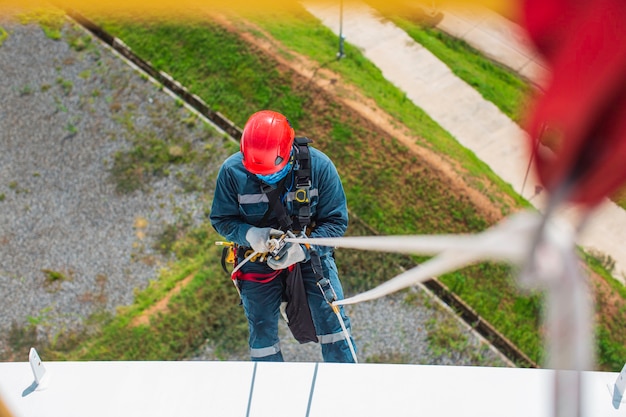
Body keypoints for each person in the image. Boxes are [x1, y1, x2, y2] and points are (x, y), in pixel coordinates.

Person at [210, 109, 356, 363]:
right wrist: (251, 235)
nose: (265, 176)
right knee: (262, 330)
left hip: (311, 255)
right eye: (258, 173)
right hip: (256, 257)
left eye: (270, 171)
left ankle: (343, 382)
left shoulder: (318, 168)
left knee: (332, 321)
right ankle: (269, 387)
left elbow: (335, 223)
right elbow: (222, 219)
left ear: (289, 154)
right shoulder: (233, 173)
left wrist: (303, 249)